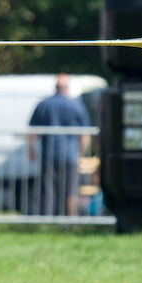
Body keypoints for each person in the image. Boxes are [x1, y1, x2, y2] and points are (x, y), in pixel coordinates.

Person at [29, 74, 90, 216]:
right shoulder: (75, 105)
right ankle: (71, 219)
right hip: (69, 155)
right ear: (67, 87)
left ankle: (47, 220)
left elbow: (32, 131)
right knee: (71, 189)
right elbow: (85, 134)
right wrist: (80, 153)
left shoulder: (43, 104)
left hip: (48, 154)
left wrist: (31, 149)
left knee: (48, 189)